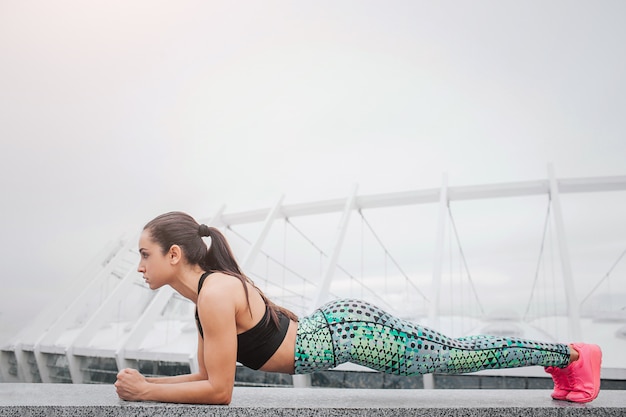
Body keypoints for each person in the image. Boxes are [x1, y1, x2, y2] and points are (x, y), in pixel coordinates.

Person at [114, 211, 602, 405]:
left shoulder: (217, 294)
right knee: (456, 350)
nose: (139, 265)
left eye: (144, 253)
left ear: (173, 254)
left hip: (352, 334)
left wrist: (145, 394)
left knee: (458, 353)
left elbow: (220, 392)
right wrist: (147, 383)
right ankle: (566, 362)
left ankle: (574, 356)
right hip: (339, 327)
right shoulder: (206, 301)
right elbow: (204, 379)